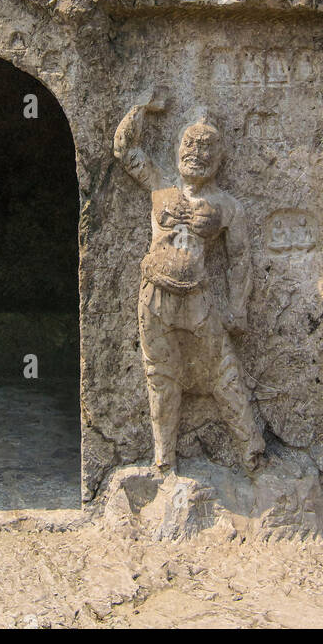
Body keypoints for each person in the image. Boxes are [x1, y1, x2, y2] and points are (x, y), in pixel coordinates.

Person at [114, 88, 265, 475]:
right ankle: (164, 458)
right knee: (160, 376)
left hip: (197, 300)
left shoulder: (228, 206)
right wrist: (142, 107)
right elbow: (124, 149)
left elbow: (240, 259)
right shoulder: (159, 184)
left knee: (224, 372)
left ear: (219, 158)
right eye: (190, 144)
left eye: (207, 147)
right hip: (154, 297)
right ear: (178, 148)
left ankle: (252, 450)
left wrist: (236, 308)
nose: (197, 152)